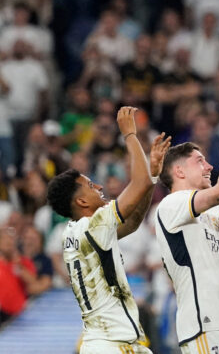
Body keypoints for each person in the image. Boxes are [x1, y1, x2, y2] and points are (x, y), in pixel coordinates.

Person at [45, 106, 170, 354]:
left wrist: (154, 175)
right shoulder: (93, 225)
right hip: (109, 343)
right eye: (90, 185)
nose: (99, 186)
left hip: (112, 340)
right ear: (80, 202)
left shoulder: (75, 232)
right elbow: (139, 182)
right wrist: (130, 136)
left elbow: (133, 222)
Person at [154, 118, 219, 354]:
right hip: (204, 324)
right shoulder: (171, 204)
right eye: (200, 161)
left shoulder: (211, 211)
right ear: (178, 171)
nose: (209, 166)